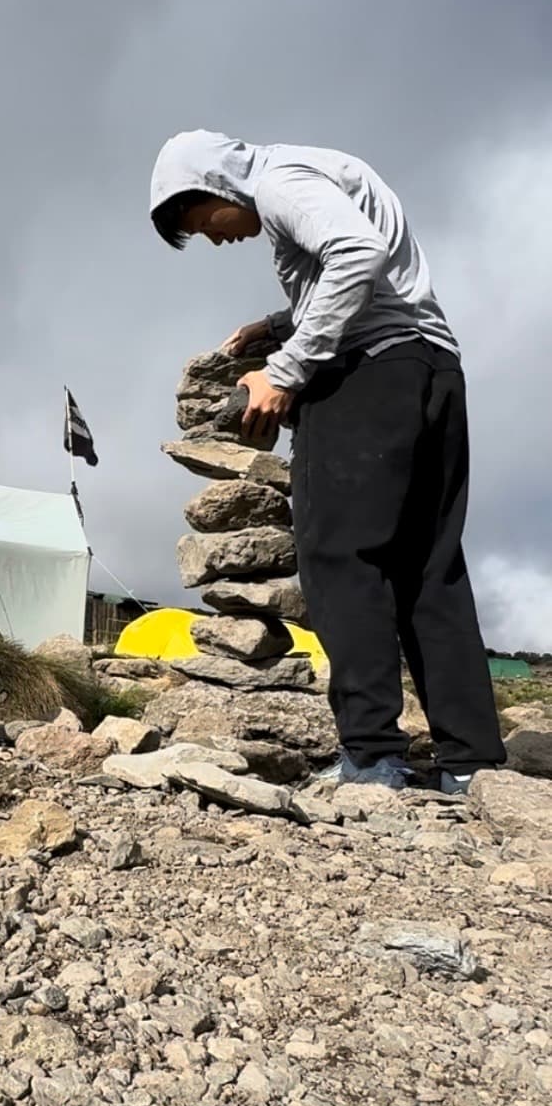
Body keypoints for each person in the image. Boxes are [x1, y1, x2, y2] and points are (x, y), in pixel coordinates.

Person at [149, 130, 504, 794]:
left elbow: (355, 253)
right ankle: (471, 758)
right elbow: (368, 268)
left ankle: (372, 755)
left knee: (339, 554)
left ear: (216, 185)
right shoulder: (314, 168)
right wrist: (277, 323)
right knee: (429, 566)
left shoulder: (277, 182)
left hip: (367, 376)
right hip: (429, 364)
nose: (217, 237)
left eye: (205, 221)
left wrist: (286, 368)